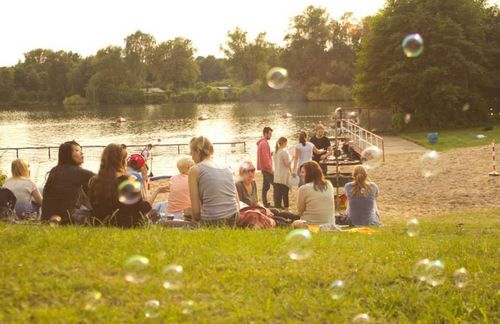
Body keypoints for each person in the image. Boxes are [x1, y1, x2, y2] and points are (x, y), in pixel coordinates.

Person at [88, 144, 169, 228]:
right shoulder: (128, 181)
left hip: (102, 224)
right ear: (122, 161)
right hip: (127, 225)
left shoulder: (94, 181)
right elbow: (143, 209)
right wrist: (157, 191)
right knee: (156, 215)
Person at [188, 136, 239, 226]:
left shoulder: (195, 170)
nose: (191, 157)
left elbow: (196, 213)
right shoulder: (227, 167)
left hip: (212, 221)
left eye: (191, 153)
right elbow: (236, 201)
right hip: (234, 218)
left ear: (198, 151)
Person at [41, 141, 95, 225]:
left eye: (81, 150)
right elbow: (104, 179)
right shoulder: (77, 172)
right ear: (68, 154)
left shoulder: (54, 170)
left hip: (47, 219)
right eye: (77, 151)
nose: (82, 153)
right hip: (67, 220)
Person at [292, 161, 336, 228]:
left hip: (309, 223)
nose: (300, 174)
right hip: (330, 223)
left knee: (283, 217)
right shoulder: (329, 184)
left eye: (303, 172)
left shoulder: (304, 188)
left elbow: (300, 210)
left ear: (310, 174)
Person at [273, 137, 294, 210]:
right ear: (284, 143)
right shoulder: (284, 152)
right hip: (283, 175)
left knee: (278, 194)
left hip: (276, 175)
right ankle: (286, 208)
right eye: (286, 143)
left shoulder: (275, 152)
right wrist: (293, 158)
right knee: (285, 193)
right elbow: (287, 164)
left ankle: (278, 208)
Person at [256, 126, 273, 207]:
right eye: (269, 134)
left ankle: (265, 203)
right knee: (275, 185)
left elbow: (265, 155)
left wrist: (271, 153)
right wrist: (271, 169)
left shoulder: (262, 142)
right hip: (266, 168)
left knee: (266, 185)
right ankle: (277, 204)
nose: (271, 135)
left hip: (264, 168)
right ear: (265, 134)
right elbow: (266, 158)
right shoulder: (264, 143)